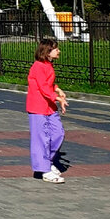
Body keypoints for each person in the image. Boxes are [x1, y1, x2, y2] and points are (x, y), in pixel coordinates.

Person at [27, 35, 68, 183]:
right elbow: (43, 88)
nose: (59, 51)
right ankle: (44, 169)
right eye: (56, 49)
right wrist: (57, 98)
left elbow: (49, 84)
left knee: (58, 133)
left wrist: (57, 89)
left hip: (49, 107)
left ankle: (48, 161)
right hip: (37, 107)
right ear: (47, 51)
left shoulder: (48, 65)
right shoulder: (38, 66)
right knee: (41, 139)